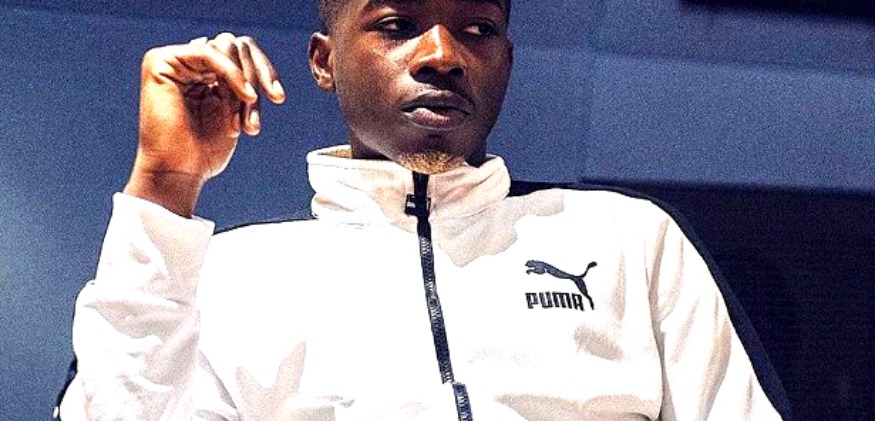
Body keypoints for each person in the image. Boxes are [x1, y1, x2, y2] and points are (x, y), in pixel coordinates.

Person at [57, 0, 789, 419]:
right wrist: (164, 183)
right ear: (323, 60)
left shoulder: (628, 239)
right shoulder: (231, 276)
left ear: (506, 61)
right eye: (397, 23)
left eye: (477, 29)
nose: (442, 53)